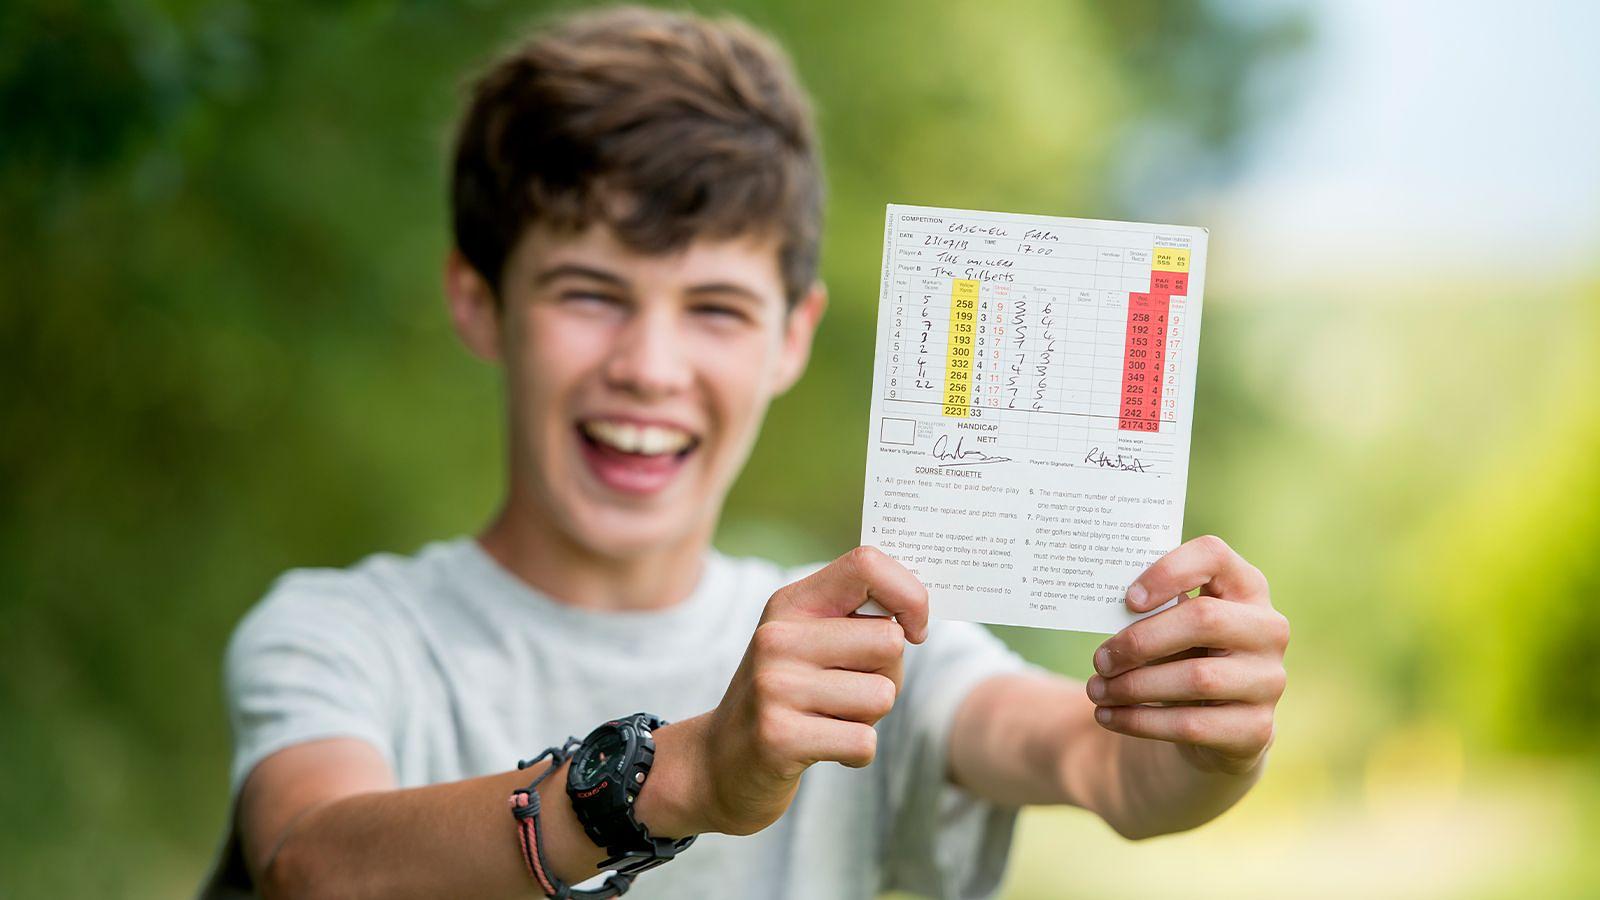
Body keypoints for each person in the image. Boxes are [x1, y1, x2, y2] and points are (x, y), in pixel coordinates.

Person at [203, 6, 1289, 898]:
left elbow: (1105, 766)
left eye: (715, 308)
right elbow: (313, 866)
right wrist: (684, 774)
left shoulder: (881, 653)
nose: (649, 365)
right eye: (588, 293)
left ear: (792, 337)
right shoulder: (342, 634)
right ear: (477, 304)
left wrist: (1201, 739)